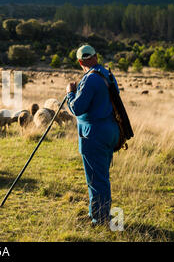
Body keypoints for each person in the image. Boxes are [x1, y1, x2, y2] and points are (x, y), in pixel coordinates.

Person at [66, 44, 120, 226]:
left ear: (81, 62)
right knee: (102, 176)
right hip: (111, 131)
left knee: (96, 179)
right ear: (96, 57)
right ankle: (97, 213)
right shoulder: (108, 74)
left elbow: (77, 108)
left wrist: (70, 93)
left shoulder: (90, 79)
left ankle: (100, 219)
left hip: (93, 135)